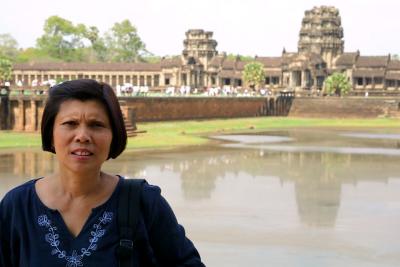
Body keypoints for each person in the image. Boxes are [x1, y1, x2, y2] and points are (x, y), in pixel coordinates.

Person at [0, 79, 205, 267]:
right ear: (51, 134)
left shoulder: (144, 203)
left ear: (112, 137)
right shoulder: (17, 207)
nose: (82, 136)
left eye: (96, 125)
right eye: (70, 124)